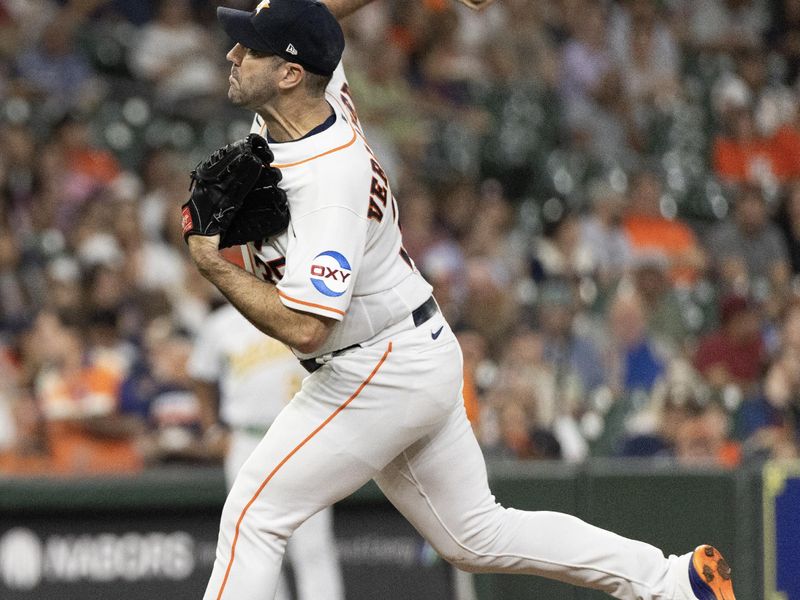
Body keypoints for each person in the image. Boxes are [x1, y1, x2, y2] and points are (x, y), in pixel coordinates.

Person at [184, 1, 737, 599]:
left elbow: (309, 328)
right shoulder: (313, 95)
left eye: (248, 49)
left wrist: (213, 263)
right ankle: (671, 581)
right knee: (476, 536)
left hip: (372, 364)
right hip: (409, 345)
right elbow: (314, 11)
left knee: (254, 512)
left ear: (289, 73)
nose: (231, 55)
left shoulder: (327, 183)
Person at [187, 286, 344, 600]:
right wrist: (213, 430)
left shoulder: (298, 311)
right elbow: (200, 375)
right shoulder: (221, 324)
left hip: (302, 438)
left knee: (312, 545)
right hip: (248, 439)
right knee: (255, 546)